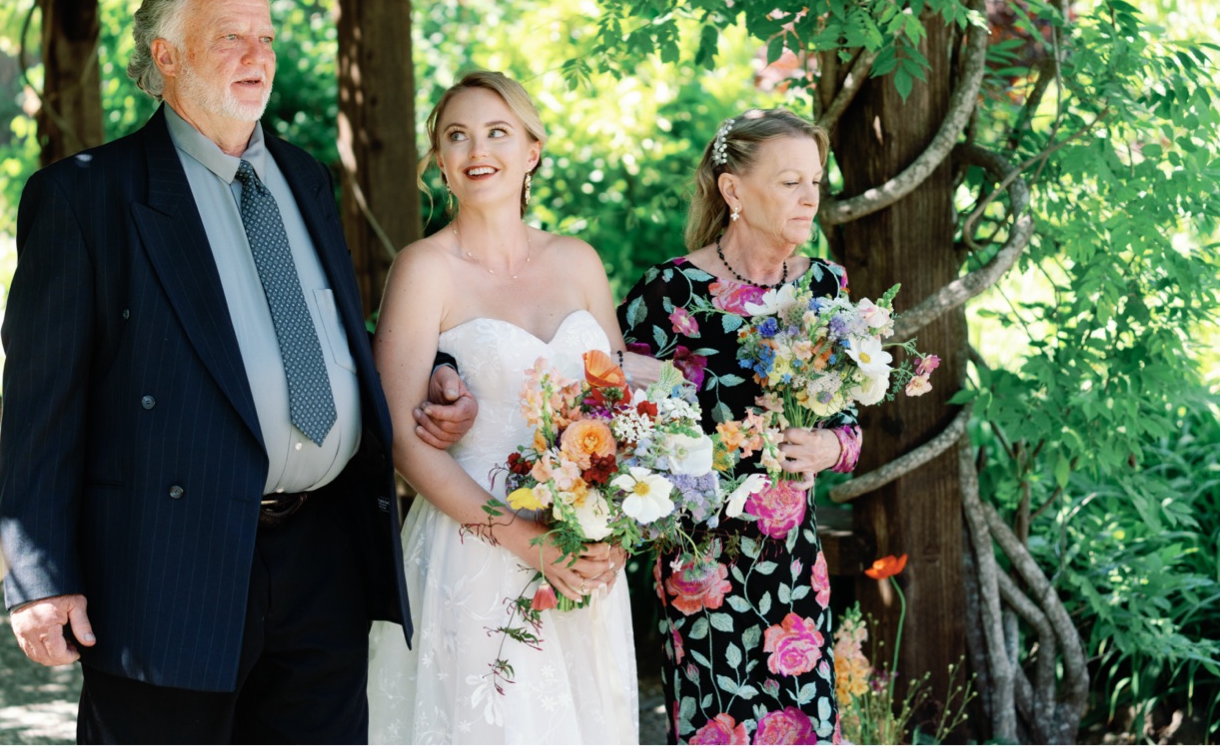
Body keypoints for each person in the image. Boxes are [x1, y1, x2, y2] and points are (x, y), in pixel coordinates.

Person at [0, 0, 475, 744]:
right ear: (166, 55)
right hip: (168, 562)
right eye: (230, 37)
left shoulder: (302, 175)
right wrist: (40, 576)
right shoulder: (86, 198)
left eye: (266, 38)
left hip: (322, 554)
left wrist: (434, 371)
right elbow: (43, 401)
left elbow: (320, 335)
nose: (258, 57)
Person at [365, 70, 661, 743]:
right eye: (457, 135)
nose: (478, 149)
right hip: (474, 553)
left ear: (531, 150)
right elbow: (404, 442)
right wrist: (528, 542)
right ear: (439, 161)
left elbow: (617, 416)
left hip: (579, 561)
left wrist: (610, 537)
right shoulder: (422, 270)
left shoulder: (579, 261)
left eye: (498, 131)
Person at [619, 109, 863, 744]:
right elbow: (616, 419)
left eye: (815, 180)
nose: (810, 196)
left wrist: (828, 444)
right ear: (733, 190)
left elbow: (850, 423)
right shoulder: (672, 293)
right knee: (716, 729)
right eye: (790, 182)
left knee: (805, 729)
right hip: (704, 562)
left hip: (794, 565)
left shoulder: (824, 285)